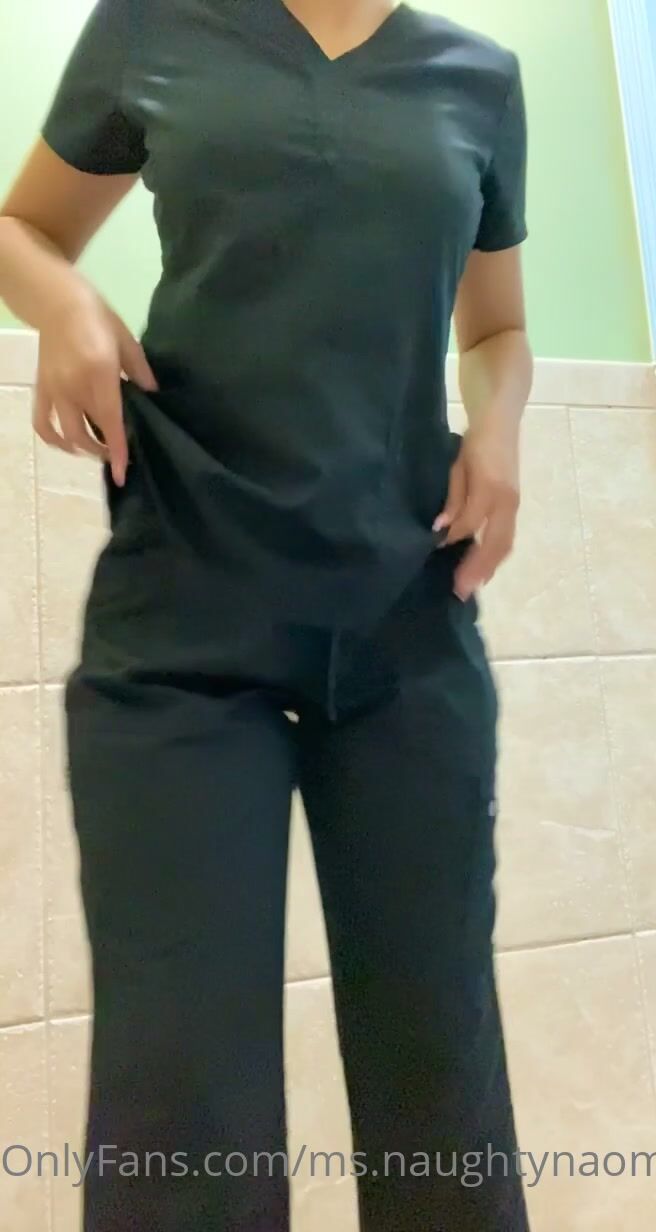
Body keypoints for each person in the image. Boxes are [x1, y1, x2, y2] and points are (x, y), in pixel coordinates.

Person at [0, 1, 533, 1228]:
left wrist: (498, 429)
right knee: (183, 1088)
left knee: (438, 1059)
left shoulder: (477, 77)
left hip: (405, 616)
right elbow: (22, 225)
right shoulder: (153, 24)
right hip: (185, 614)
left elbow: (498, 324)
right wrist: (66, 306)